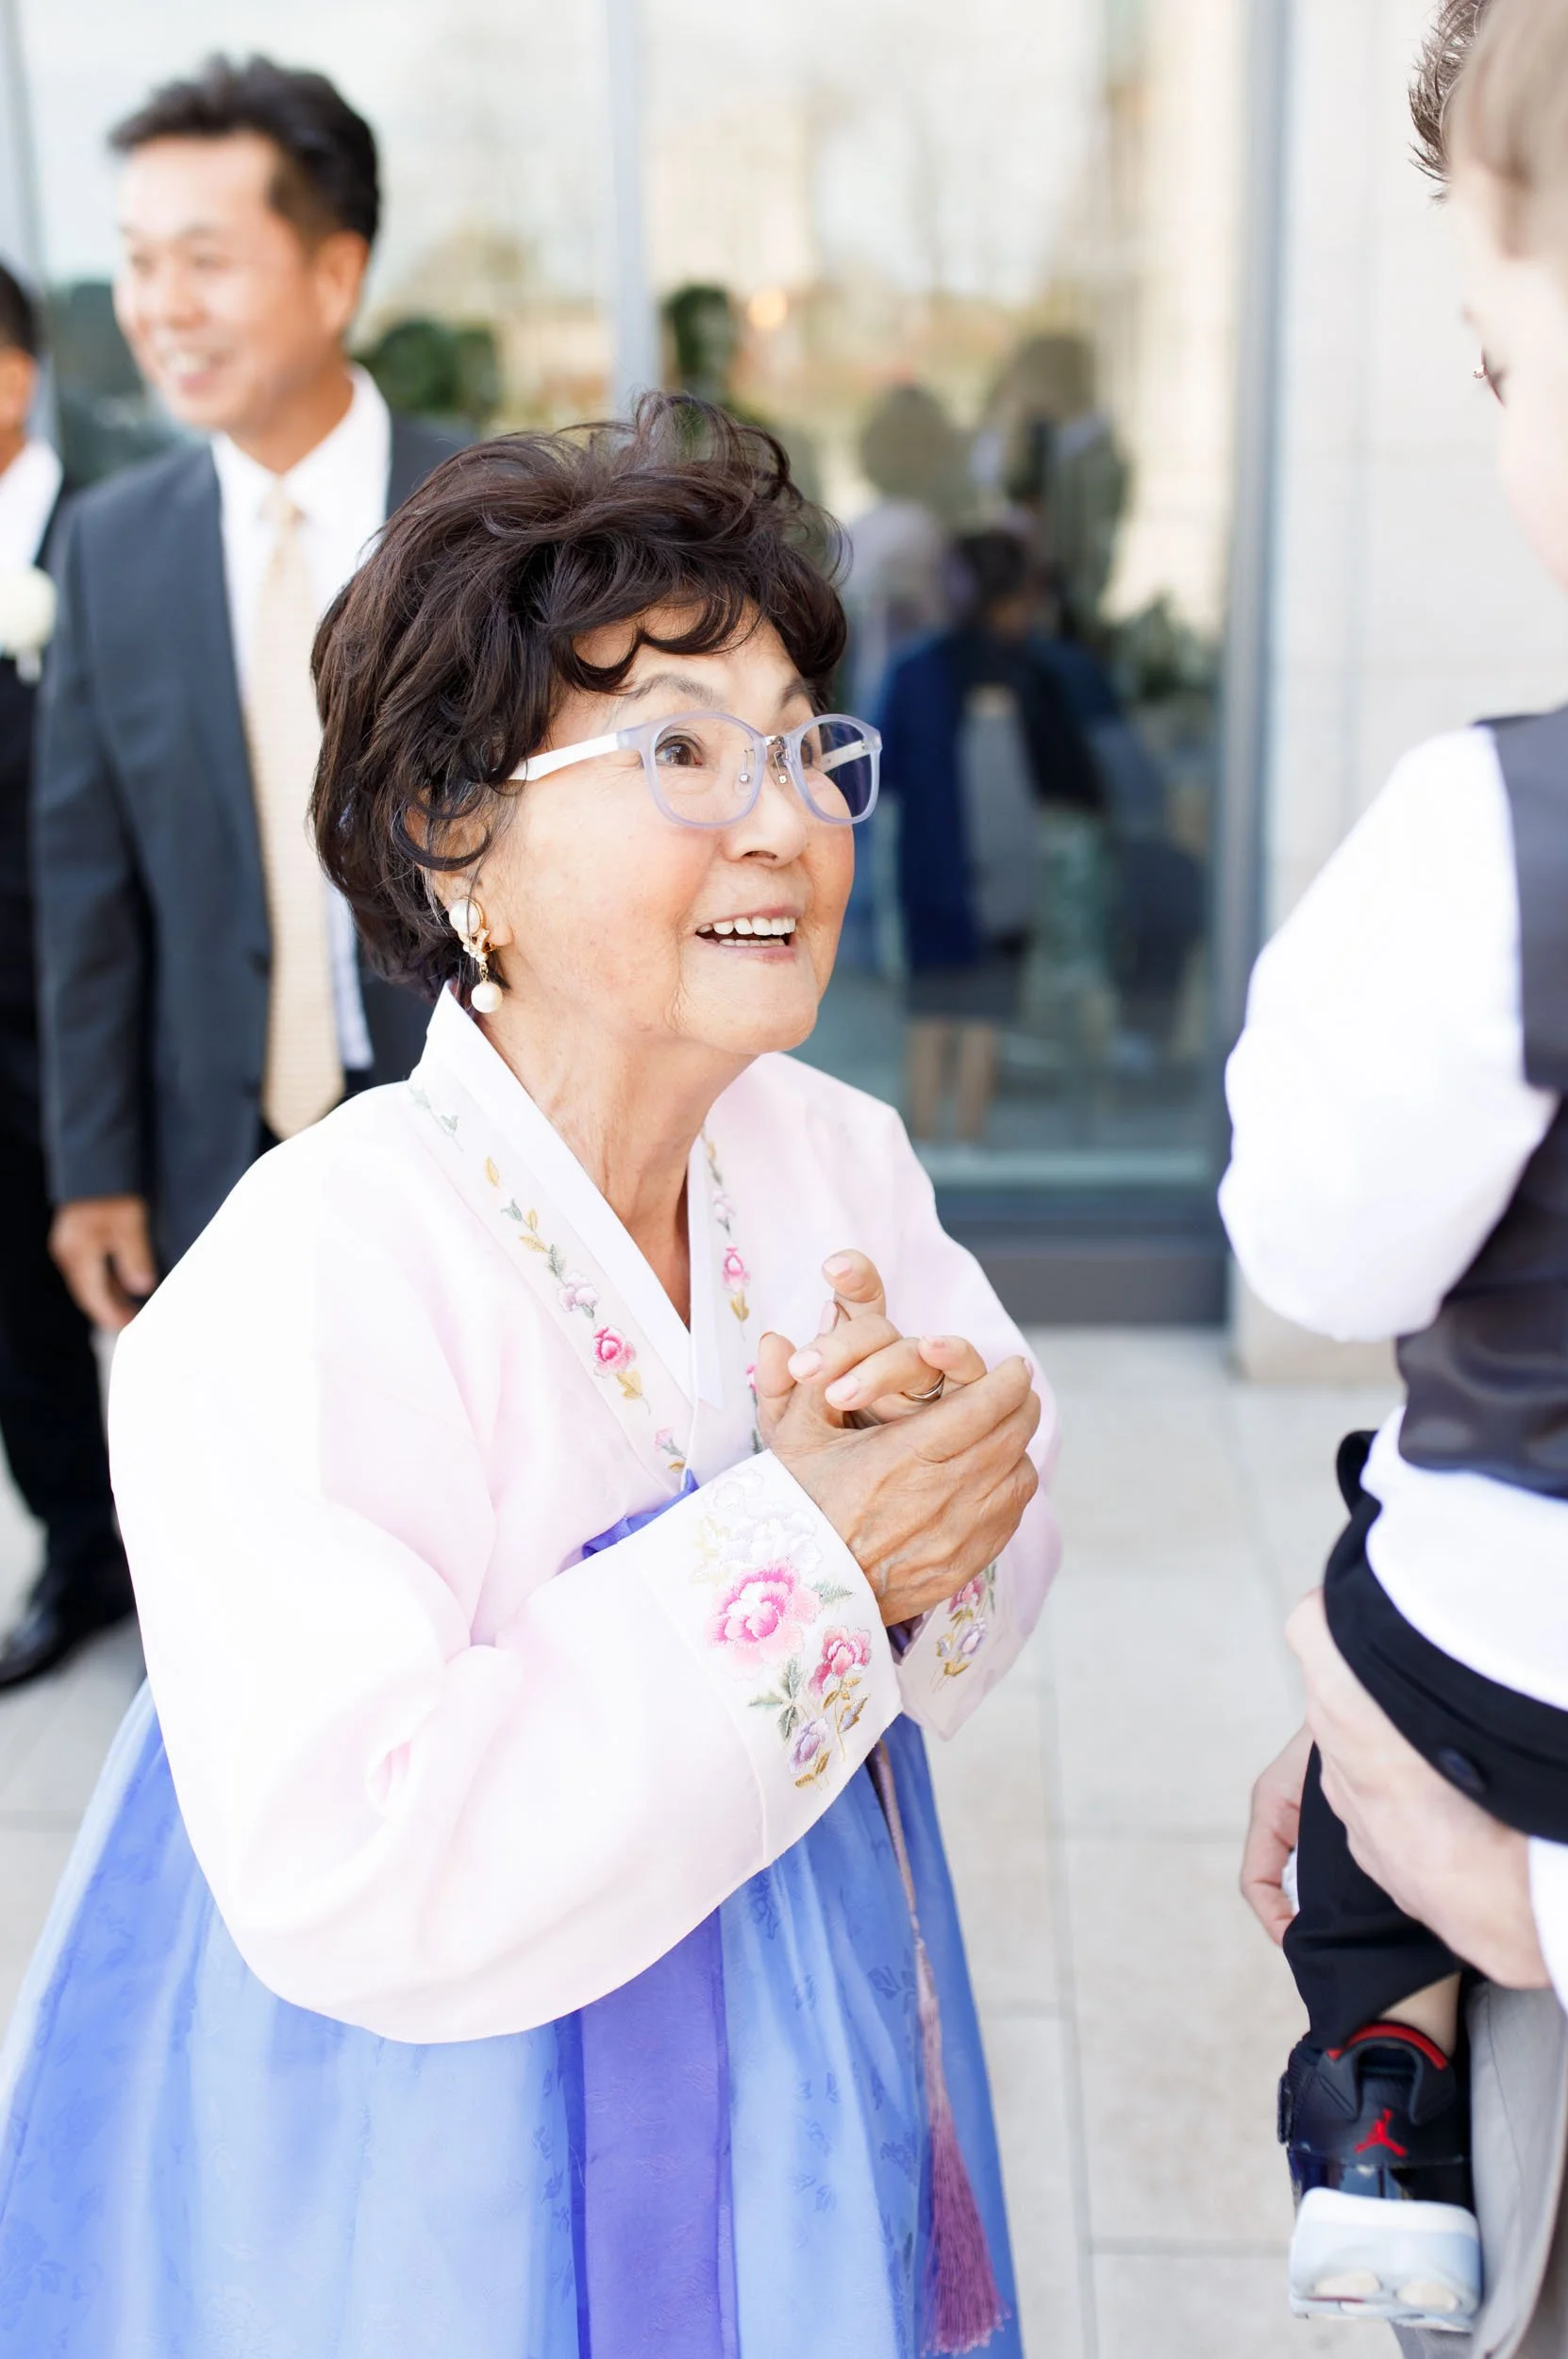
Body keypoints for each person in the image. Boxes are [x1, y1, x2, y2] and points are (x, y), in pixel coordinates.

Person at [0, 395, 1060, 2355]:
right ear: (450, 823)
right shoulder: (300, 1281)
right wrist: (809, 1557)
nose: (783, 818)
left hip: (808, 1971)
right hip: (446, 2124)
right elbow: (358, 1865)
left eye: (798, 747)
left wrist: (944, 1501)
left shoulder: (832, 1154)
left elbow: (987, 1539)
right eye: (677, 750)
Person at [1223, 0, 1568, 2329]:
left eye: (1493, 357)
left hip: (1514, 1680)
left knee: (1373, 1618)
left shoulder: (1504, 832)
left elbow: (1312, 1225)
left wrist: (1508, 1894)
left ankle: (1379, 2125)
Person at [15, 57, 460, 1687]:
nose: (157, 305)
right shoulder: (113, 543)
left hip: (459, 1112)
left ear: (334, 270)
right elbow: (87, 879)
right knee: (266, 1537)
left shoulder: (492, 516)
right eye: (136, 260)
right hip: (218, 1129)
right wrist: (94, 1167)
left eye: (204, 256)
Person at [0, 266, 132, 1688]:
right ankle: (76, 1554)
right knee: (15, 1318)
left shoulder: (112, 528)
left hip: (96, 993)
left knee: (159, 1290)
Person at [878, 527, 1104, 1143]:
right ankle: (968, 1142)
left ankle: (921, 1151)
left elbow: (884, 773)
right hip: (1007, 875)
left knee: (929, 1017)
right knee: (982, 1019)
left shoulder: (914, 671)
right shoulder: (1035, 674)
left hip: (929, 871)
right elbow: (1077, 781)